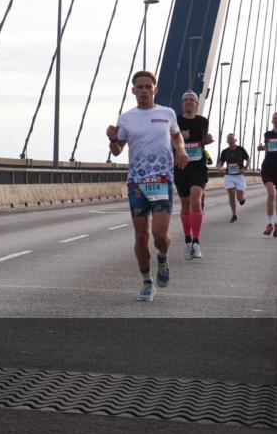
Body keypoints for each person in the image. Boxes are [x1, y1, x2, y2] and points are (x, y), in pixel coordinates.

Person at [107, 71, 189, 302]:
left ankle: (162, 257)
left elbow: (176, 137)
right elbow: (117, 150)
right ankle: (146, 281)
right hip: (137, 182)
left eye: (147, 86)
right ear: (133, 90)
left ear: (155, 89)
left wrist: (181, 150)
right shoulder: (126, 118)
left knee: (159, 235)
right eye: (139, 87)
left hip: (160, 179)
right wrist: (112, 138)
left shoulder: (167, 113)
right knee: (141, 235)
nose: (143, 90)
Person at [174, 91, 214, 259]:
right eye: (186, 100)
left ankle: (196, 242)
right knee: (185, 205)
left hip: (198, 166)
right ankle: (187, 241)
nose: (189, 103)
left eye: (192, 100)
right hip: (181, 167)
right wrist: (178, 138)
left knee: (195, 200)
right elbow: (165, 139)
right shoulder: (175, 121)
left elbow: (201, 139)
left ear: (197, 104)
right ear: (182, 104)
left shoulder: (203, 121)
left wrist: (207, 140)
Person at [218, 133, 249, 223]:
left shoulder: (241, 150)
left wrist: (245, 168)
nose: (231, 140)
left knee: (239, 198)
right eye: (229, 139)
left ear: (235, 140)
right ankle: (234, 215)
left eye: (232, 139)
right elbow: (221, 162)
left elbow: (248, 159)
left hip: (239, 176)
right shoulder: (224, 152)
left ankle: (242, 199)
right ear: (227, 141)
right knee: (231, 193)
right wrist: (219, 168)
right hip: (229, 176)